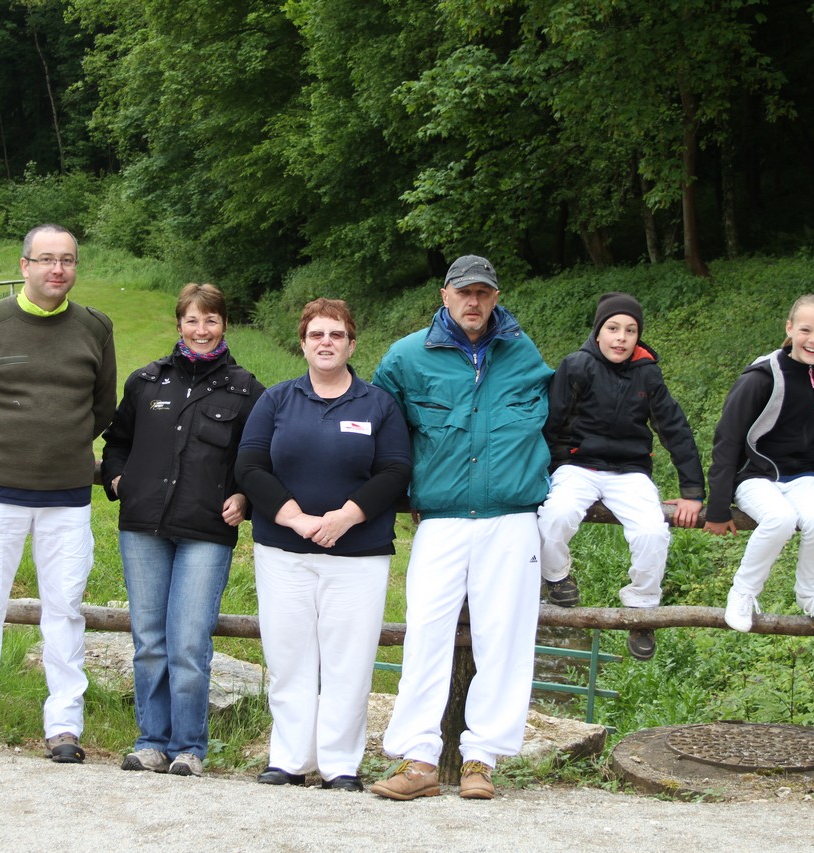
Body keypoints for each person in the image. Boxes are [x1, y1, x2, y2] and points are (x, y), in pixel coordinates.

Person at [369, 255, 552, 802]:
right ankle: (420, 758)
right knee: (426, 632)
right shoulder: (406, 356)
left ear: (496, 297)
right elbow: (380, 432)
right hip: (442, 518)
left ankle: (481, 758)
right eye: (464, 292)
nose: (474, 302)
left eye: (484, 293)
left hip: (512, 518)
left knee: (507, 639)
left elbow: (562, 426)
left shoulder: (524, 354)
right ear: (444, 294)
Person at [0, 224, 117, 763]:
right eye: (46, 259)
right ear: (24, 265)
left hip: (66, 497)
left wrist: (59, 447)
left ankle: (64, 723)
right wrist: (1, 446)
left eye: (67, 260)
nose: (56, 269)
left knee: (64, 608)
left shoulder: (95, 329)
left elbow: (103, 407)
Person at [235, 299, 411, 792]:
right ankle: (289, 758)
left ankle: (339, 764)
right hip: (283, 553)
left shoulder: (378, 405)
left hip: (357, 556)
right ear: (304, 343)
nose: (326, 342)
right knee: (288, 657)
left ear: (352, 344)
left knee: (348, 661)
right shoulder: (276, 401)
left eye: (336, 334)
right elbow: (249, 468)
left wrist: (344, 518)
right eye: (317, 334)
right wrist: (296, 520)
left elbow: (396, 471)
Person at [100, 283, 263, 777]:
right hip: (143, 526)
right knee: (150, 641)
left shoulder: (246, 389)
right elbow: (116, 442)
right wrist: (117, 478)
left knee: (189, 642)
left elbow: (257, 457)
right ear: (179, 326)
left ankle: (189, 748)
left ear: (224, 325)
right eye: (192, 320)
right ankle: (151, 740)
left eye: (210, 320)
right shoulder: (146, 382)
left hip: (207, 531)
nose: (201, 330)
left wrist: (245, 496)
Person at [536, 292, 705, 661]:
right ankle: (556, 577)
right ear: (598, 332)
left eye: (630, 330)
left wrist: (692, 489)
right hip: (577, 465)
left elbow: (674, 428)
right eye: (613, 328)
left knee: (652, 532)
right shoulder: (577, 365)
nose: (621, 337)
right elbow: (551, 423)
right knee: (556, 516)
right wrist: (540, 478)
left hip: (629, 471)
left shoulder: (647, 373)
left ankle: (642, 609)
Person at [704, 294, 814, 634]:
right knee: (780, 519)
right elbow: (727, 440)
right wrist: (717, 506)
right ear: (789, 328)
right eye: (805, 330)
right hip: (756, 476)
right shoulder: (761, 378)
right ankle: (742, 592)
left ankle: (811, 595)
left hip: (803, 476)